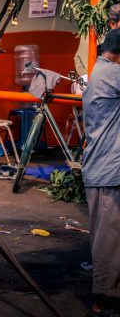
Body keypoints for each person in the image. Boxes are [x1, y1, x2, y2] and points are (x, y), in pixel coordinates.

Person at [82, 27, 120, 316]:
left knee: (106, 236)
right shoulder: (112, 74)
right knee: (109, 237)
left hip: (101, 166)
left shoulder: (100, 70)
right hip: (108, 168)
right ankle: (103, 297)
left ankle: (106, 292)